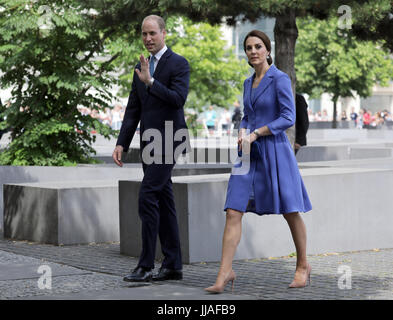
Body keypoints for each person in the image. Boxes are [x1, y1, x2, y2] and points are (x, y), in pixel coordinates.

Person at [204, 30, 312, 294]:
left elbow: (288, 117)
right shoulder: (247, 82)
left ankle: (302, 265)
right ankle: (224, 273)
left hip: (274, 150)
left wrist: (257, 132)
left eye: (258, 46)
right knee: (233, 210)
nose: (253, 51)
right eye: (249, 47)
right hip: (247, 153)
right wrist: (243, 131)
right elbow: (246, 115)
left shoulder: (280, 79)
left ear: (267, 50)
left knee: (290, 210)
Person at [112, 15, 190, 282]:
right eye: (144, 34)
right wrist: (122, 142)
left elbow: (178, 99)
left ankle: (145, 265)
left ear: (164, 33)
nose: (148, 39)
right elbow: (133, 109)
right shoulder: (140, 66)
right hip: (149, 143)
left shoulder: (179, 63)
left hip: (170, 139)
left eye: (152, 33)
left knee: (147, 195)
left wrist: (151, 82)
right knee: (164, 201)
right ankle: (173, 266)